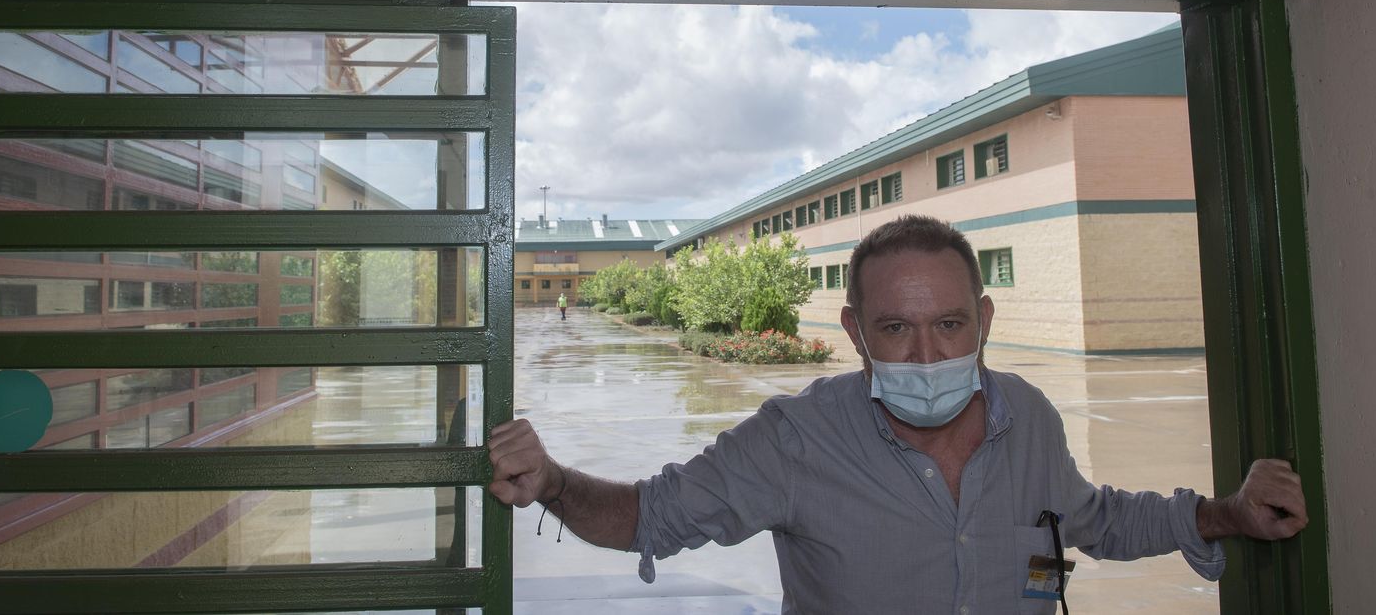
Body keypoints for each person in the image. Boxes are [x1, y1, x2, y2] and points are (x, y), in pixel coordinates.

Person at [489, 215, 1308, 613]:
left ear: (984, 321)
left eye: (949, 325)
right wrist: (553, 481)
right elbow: (649, 515)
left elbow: (1098, 521)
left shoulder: (1031, 419)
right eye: (895, 329)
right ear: (854, 333)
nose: (926, 356)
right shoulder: (794, 442)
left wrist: (1226, 514)